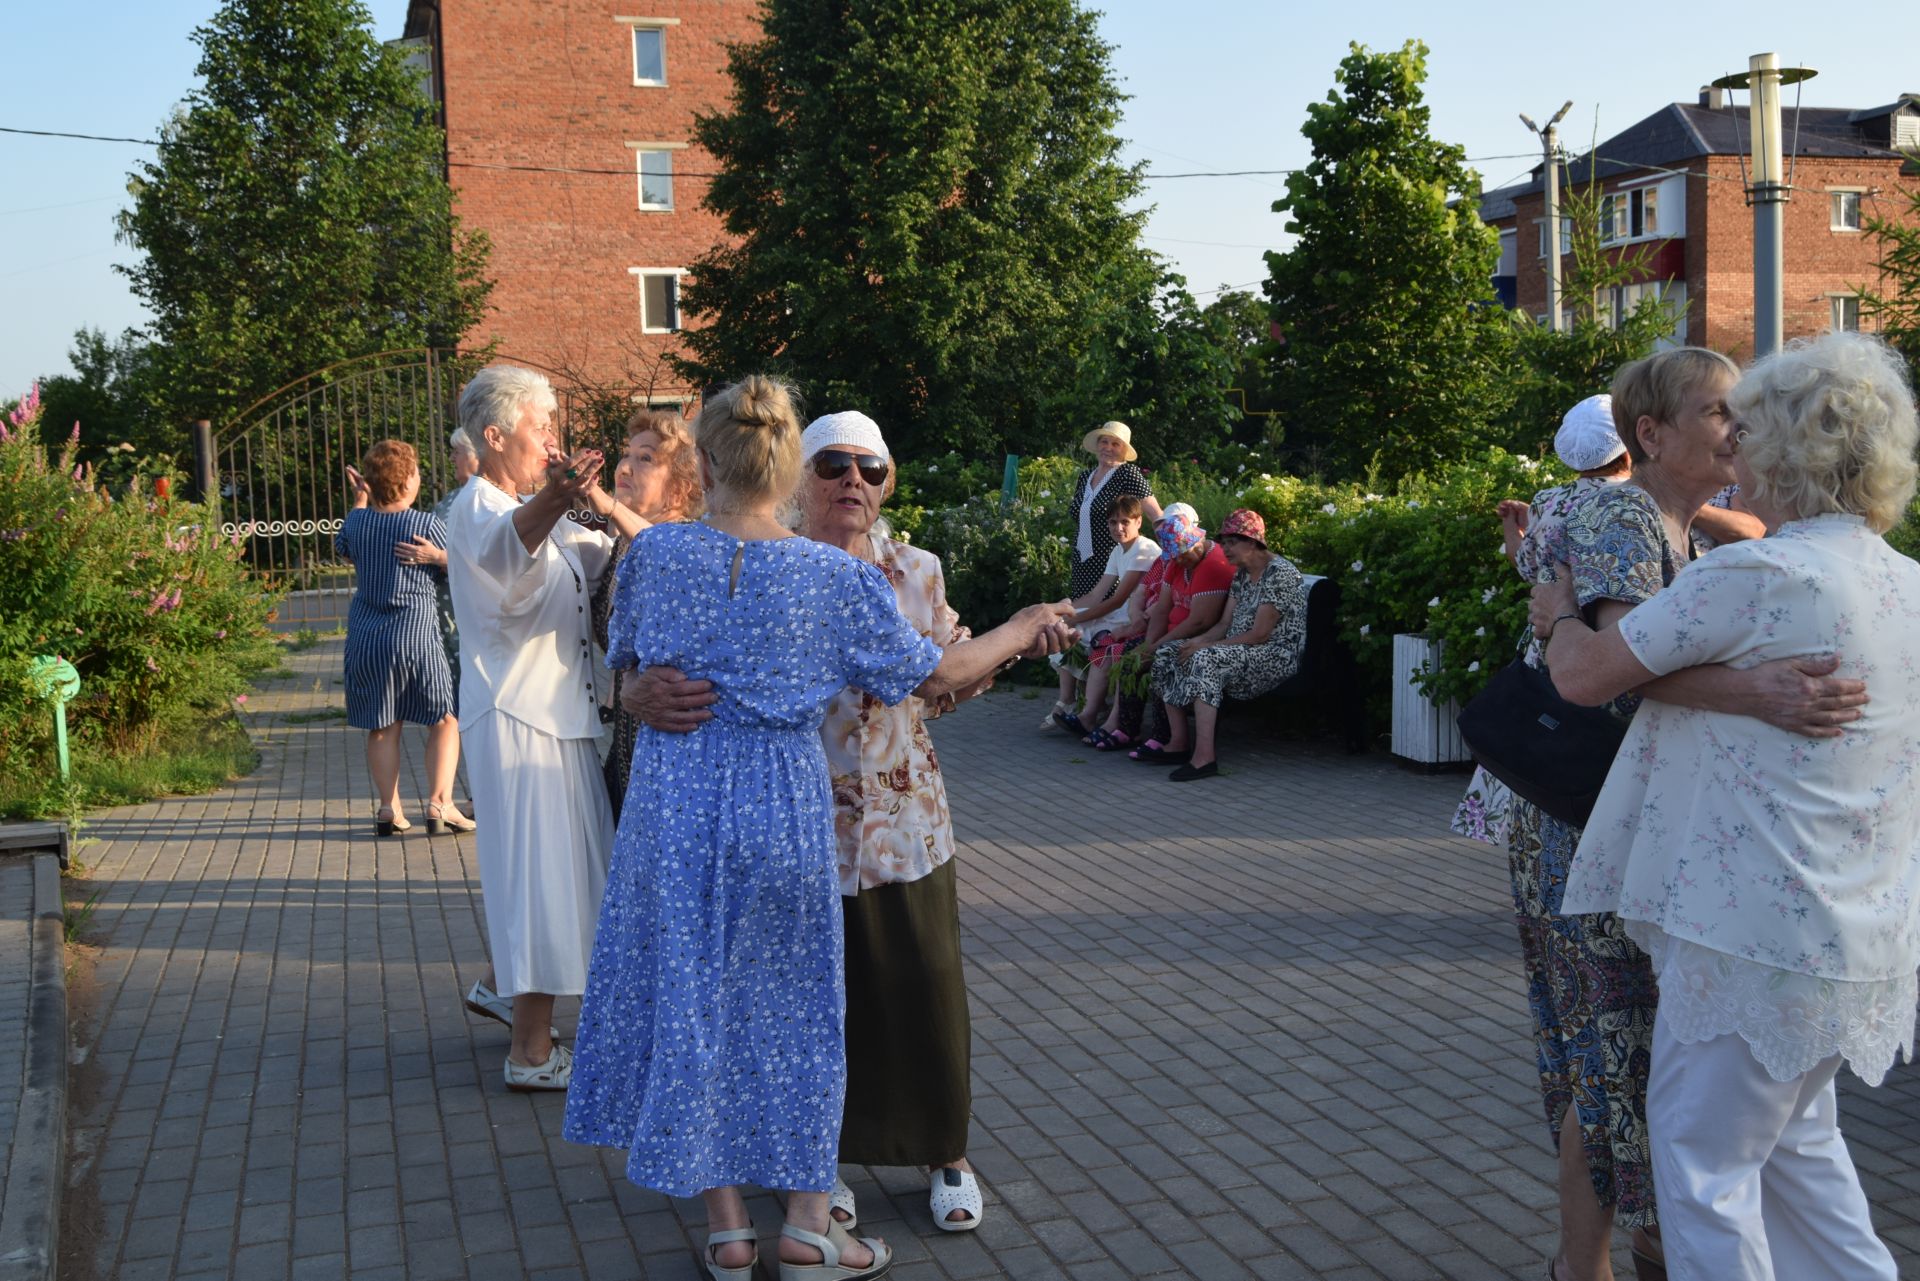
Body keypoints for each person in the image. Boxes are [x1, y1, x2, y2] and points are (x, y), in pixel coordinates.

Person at [560, 378, 1074, 1281]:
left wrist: (637, 694)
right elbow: (938, 668)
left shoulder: (655, 557)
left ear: (706, 460)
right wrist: (1024, 624)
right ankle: (805, 1226)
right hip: (779, 801)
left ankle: (726, 1229)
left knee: (693, 996)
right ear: (791, 468)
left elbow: (627, 666)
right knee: (796, 1009)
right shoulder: (830, 576)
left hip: (675, 803)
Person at [1530, 332, 1910, 1281]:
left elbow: (1583, 677)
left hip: (1747, 934)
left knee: (1706, 1170)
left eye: (1746, 437)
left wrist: (1555, 610)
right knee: (1800, 1158)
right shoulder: (1906, 584)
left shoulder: (1762, 574)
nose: (1733, 456)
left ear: (1788, 455)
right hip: (1857, 934)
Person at [443, 364, 651, 1091]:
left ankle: (525, 1011)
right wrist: (559, 497)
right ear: (493, 435)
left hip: (560, 720)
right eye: (541, 426)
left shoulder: (548, 509)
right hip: (515, 717)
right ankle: (530, 1050)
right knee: (538, 882)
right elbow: (506, 549)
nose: (553, 440)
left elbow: (618, 555)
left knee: (566, 881)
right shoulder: (477, 505)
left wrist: (603, 499)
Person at [1454, 395, 1635, 846]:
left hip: (1549, 646)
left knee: (1541, 747)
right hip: (1607, 651)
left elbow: (1529, 569)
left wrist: (1513, 527)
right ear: (1629, 449)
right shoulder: (1638, 503)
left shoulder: (1550, 501)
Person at [334, 440, 468, 837]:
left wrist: (360, 500)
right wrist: (439, 558)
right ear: (409, 481)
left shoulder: (357, 524)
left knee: (382, 725)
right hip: (416, 635)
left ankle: (388, 808)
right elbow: (464, 563)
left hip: (367, 637)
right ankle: (439, 803)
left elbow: (342, 546)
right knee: (444, 719)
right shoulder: (425, 525)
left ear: (371, 484)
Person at [589, 409, 704, 822]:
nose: (625, 466)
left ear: (681, 485)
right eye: (627, 454)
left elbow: (665, 550)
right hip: (625, 742)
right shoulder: (623, 543)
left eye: (646, 459)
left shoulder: (688, 541)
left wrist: (607, 506)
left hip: (672, 752)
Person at [1148, 509, 1308, 781]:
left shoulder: (1279, 574)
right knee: (1168, 653)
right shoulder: (1243, 574)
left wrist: (1204, 649)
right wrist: (1195, 642)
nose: (1225, 548)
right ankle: (1177, 743)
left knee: (1205, 660)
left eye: (1232, 542)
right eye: (1223, 542)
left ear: (1253, 541)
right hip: (1240, 648)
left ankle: (1204, 758)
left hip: (1275, 654)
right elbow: (1223, 624)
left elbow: (1259, 635)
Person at [1053, 422, 1162, 717]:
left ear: (1125, 450)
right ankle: (1080, 703)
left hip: (1116, 557)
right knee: (1080, 618)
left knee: (1097, 622)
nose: (1108, 448)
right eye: (1104, 442)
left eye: (1115, 444)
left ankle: (1092, 707)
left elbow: (1154, 513)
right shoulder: (1085, 476)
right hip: (1085, 560)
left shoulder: (1128, 474)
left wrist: (1174, 543)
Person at [1128, 507, 1233, 765]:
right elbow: (1162, 609)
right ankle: (1125, 729)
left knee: (1162, 659)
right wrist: (1148, 644)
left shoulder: (1213, 564)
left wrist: (1155, 648)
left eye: (1182, 556)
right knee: (1133, 659)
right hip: (1174, 634)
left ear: (1197, 543)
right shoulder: (1178, 561)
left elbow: (1200, 621)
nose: (1178, 561)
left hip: (1205, 636)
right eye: (1174, 557)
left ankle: (1172, 740)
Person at [1052, 494, 1157, 736]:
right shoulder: (1118, 551)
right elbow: (1096, 595)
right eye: (1112, 522)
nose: (1118, 528)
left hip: (1138, 614)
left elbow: (1118, 599)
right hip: (1122, 610)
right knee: (1067, 628)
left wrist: (1075, 618)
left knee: (1079, 631)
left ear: (1139, 522)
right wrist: (1064, 612)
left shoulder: (1144, 549)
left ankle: (1083, 708)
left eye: (1125, 522)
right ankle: (1069, 701)